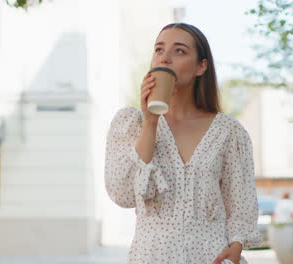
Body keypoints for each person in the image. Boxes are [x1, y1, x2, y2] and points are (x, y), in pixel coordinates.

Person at [104, 23, 261, 264]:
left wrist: (236, 246)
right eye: (159, 49)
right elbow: (123, 194)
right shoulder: (130, 124)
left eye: (179, 51)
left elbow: (241, 206)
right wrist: (150, 123)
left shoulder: (229, 132)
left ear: (201, 66)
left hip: (211, 256)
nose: (165, 58)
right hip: (151, 257)